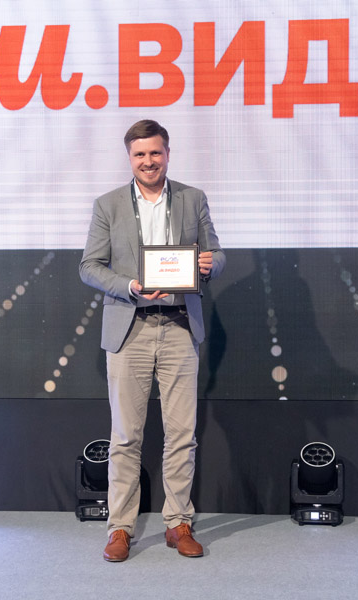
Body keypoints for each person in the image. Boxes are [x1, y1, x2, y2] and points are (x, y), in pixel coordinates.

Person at [79, 119, 225, 562]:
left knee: (182, 435)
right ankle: (120, 528)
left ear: (167, 154)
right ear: (130, 158)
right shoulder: (107, 205)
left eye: (155, 153)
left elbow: (217, 254)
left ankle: (178, 523)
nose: (148, 161)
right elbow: (89, 266)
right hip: (131, 329)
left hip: (180, 326)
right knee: (126, 437)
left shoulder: (192, 199)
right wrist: (129, 286)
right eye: (140, 154)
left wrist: (209, 264)